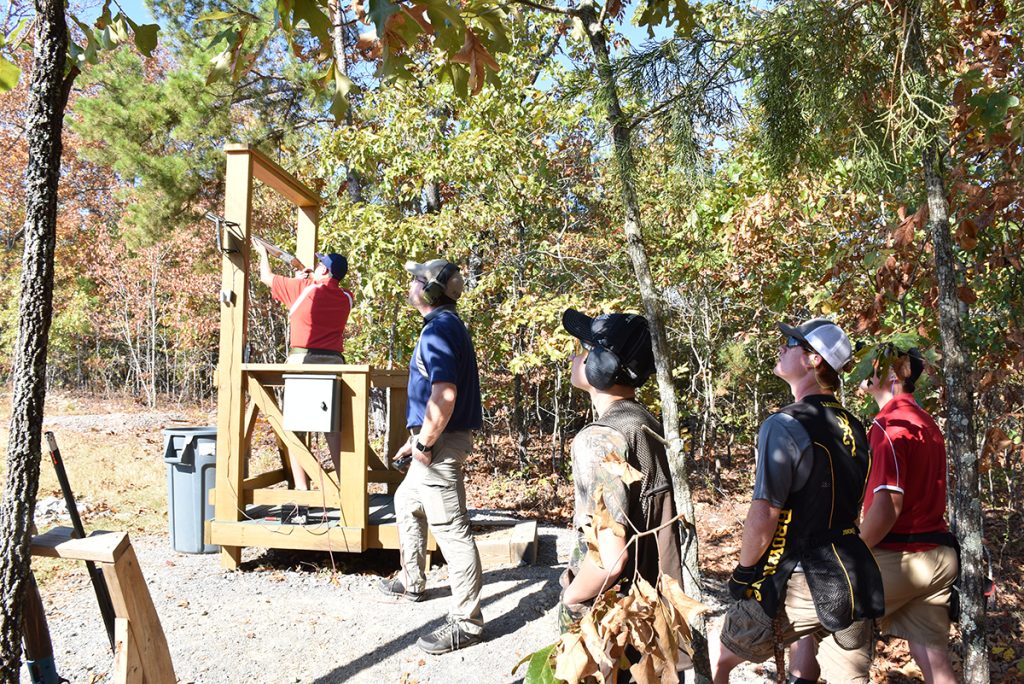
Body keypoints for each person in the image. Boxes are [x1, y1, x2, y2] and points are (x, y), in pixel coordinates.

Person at [710, 318, 884, 684]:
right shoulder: (854, 425)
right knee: (824, 657)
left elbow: (765, 513)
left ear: (812, 359)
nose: (781, 348)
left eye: (790, 344)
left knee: (718, 656)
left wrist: (743, 572)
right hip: (852, 574)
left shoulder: (784, 424)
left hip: (799, 576)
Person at [800, 346, 958, 683]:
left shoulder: (889, 425)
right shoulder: (926, 423)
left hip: (902, 558)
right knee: (933, 660)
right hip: (939, 558)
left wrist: (852, 551)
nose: (864, 369)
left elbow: (888, 507)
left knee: (820, 616)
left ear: (892, 374)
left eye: (875, 363)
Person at [378, 258, 484, 655]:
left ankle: (467, 622)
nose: (409, 285)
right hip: (434, 439)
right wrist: (416, 439)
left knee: (453, 531)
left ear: (429, 290)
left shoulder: (438, 331)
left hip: (439, 446)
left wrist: (424, 443)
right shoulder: (445, 326)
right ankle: (412, 580)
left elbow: (445, 395)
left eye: (414, 280)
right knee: (406, 502)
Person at [558, 309, 682, 633]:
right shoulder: (648, 424)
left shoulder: (598, 440)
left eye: (582, 348)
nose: (575, 356)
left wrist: (572, 597)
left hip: (607, 617)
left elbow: (610, 559)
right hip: (647, 613)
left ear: (601, 366)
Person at [254, 242, 353, 489]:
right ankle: (344, 491)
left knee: (296, 428)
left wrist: (263, 253)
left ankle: (302, 491)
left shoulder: (303, 288)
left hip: (303, 361)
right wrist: (310, 277)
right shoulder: (346, 297)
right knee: (333, 430)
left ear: (324, 272)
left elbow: (265, 277)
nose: (316, 266)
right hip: (334, 364)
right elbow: (323, 290)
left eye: (320, 265)